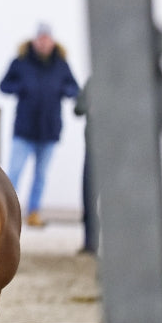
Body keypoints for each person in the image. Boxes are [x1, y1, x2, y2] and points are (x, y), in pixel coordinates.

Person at [0, 23, 79, 227]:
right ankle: (5, 212)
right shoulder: (21, 61)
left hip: (49, 130)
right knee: (14, 172)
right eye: (40, 39)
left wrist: (66, 90)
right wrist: (21, 88)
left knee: (41, 175)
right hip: (24, 129)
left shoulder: (61, 64)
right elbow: (4, 85)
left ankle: (33, 212)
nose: (43, 43)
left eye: (47, 39)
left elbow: (74, 87)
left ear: (52, 42)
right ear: (35, 40)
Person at [74, 78, 98, 254]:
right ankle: (90, 244)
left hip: (121, 153)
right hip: (94, 149)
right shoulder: (93, 80)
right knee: (89, 197)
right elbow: (78, 108)